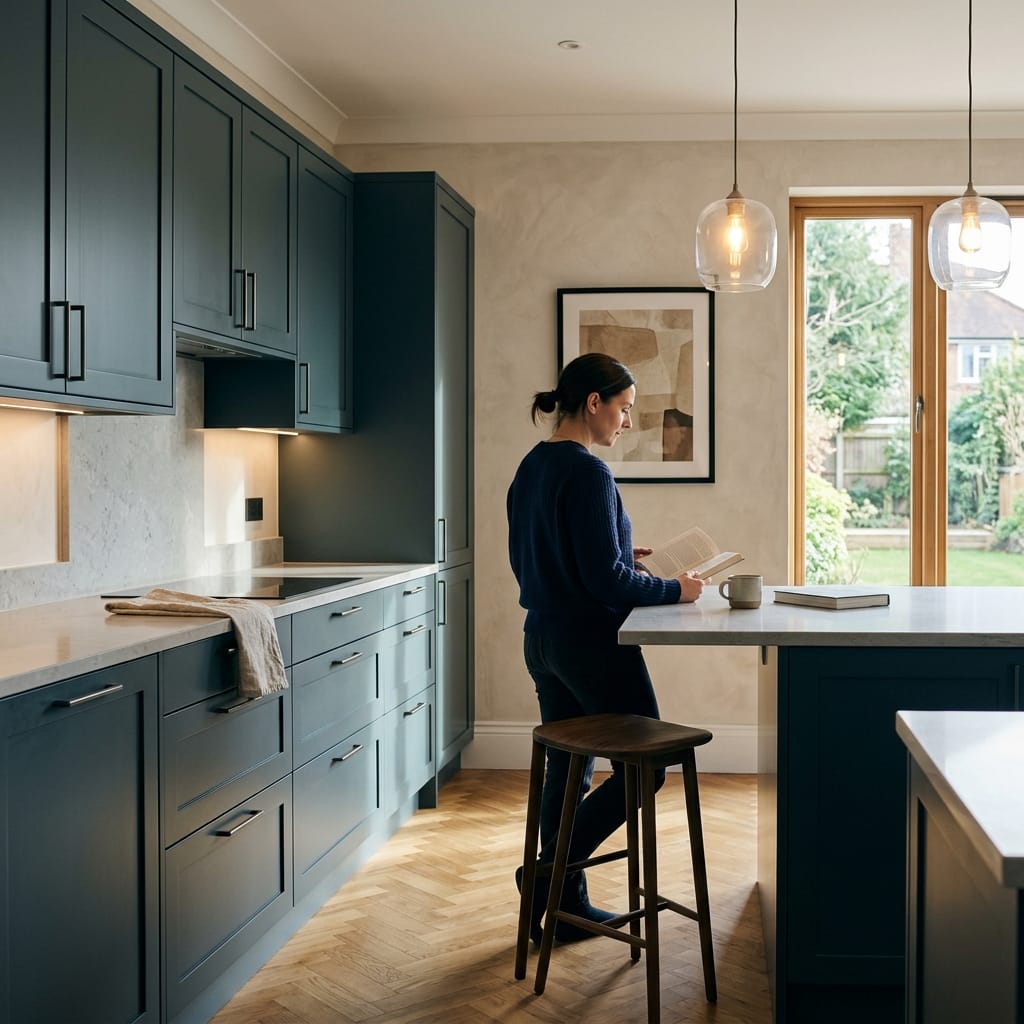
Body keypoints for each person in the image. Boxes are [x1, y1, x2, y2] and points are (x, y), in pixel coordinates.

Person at [506, 351, 704, 944]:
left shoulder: (532, 466)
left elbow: (547, 557)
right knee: (648, 770)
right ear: (594, 403)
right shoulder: (588, 472)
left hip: (542, 639)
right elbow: (608, 585)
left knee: (568, 774)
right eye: (622, 408)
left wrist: (622, 557)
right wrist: (678, 588)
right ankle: (544, 879)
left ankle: (564, 907)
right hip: (592, 645)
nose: (626, 421)